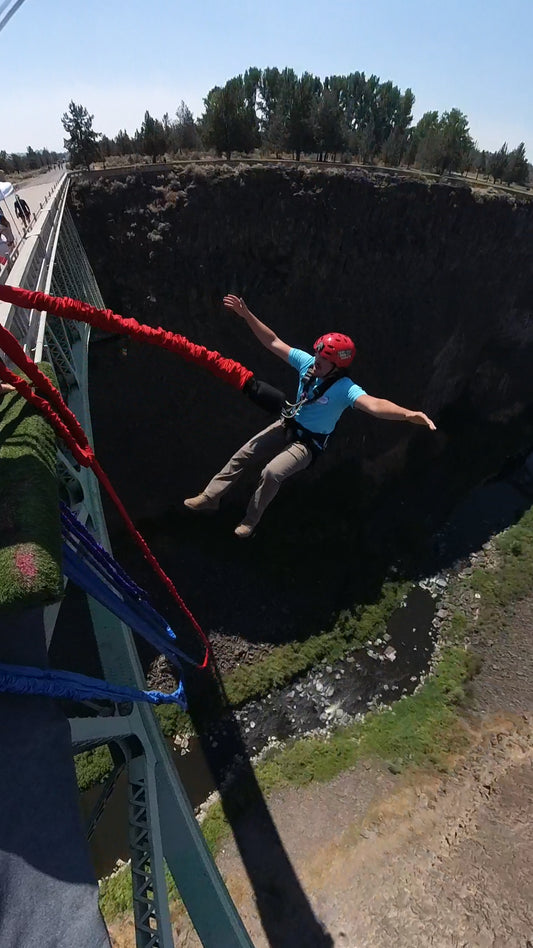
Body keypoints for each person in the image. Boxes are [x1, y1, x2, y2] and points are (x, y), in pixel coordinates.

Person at [184, 294, 436, 538]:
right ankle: (211, 496)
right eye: (317, 354)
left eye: (324, 360)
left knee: (272, 473)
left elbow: (374, 405)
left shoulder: (345, 389)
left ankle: (250, 520)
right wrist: (246, 315)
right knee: (244, 454)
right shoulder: (308, 364)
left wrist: (408, 414)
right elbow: (273, 342)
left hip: (308, 444)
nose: (317, 361)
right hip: (288, 423)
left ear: (337, 366)